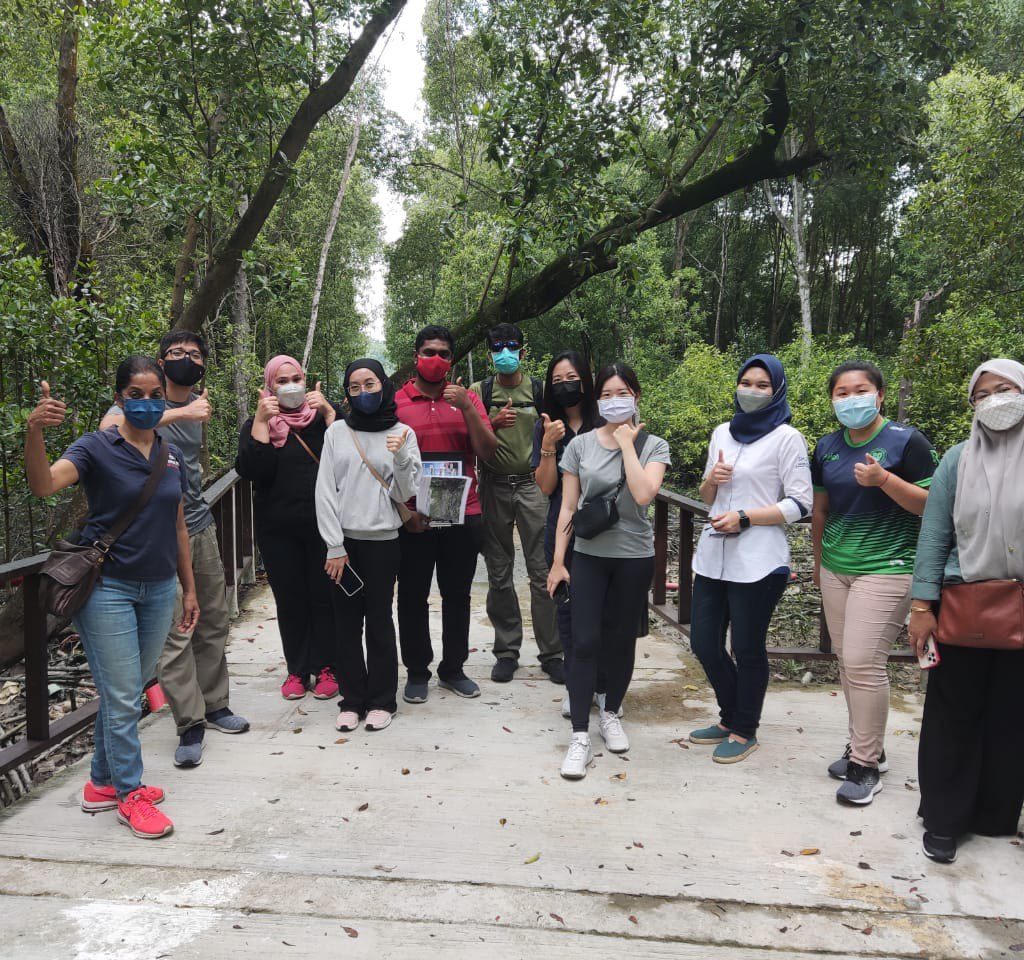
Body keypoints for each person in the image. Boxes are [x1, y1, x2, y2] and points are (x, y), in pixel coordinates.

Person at [25, 358, 199, 839]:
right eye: (135, 394)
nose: (146, 403)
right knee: (123, 695)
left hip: (160, 586)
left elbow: (179, 524)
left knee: (133, 687)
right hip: (108, 588)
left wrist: (189, 588)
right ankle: (130, 793)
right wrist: (34, 432)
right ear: (120, 398)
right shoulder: (96, 447)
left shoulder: (169, 455)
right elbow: (44, 486)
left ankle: (101, 783)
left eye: (154, 394)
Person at [100, 330, 248, 770]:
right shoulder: (141, 401)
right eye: (176, 353)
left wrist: (189, 412)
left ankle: (216, 703)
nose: (186, 359)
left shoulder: (196, 405)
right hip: (152, 535)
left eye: (194, 354)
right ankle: (190, 722)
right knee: (174, 633)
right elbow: (108, 430)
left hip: (198, 525)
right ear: (161, 363)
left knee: (213, 617)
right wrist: (176, 411)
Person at [909, 359, 1024, 865]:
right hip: (966, 602)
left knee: (1011, 714)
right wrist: (921, 605)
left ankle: (997, 813)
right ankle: (945, 818)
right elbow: (934, 536)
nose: (996, 400)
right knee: (954, 714)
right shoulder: (958, 459)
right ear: (972, 406)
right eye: (984, 394)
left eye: (1006, 389)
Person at [811, 360, 936, 805]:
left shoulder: (908, 442)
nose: (851, 399)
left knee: (864, 661)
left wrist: (884, 480)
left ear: (879, 395)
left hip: (890, 565)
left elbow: (930, 507)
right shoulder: (826, 446)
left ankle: (865, 767)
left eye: (860, 390)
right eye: (841, 393)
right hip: (836, 567)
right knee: (848, 661)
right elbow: (821, 510)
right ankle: (869, 748)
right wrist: (818, 559)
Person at [546, 362, 670, 779]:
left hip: (634, 558)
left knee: (620, 642)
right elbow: (567, 506)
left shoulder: (654, 445)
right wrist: (560, 561)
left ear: (636, 395)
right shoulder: (579, 446)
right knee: (583, 642)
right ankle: (580, 735)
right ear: (597, 398)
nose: (615, 401)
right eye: (607, 394)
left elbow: (643, 493)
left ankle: (611, 712)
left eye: (623, 393)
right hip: (590, 556)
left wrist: (628, 445)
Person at [688, 355, 812, 763]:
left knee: (747, 647)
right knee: (704, 643)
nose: (752, 391)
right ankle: (729, 717)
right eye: (746, 382)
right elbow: (707, 497)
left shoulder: (787, 438)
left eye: (762, 385)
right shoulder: (722, 432)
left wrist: (745, 517)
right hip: (712, 557)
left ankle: (745, 728)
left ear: (776, 390)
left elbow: (800, 504)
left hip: (759, 561)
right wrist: (712, 481)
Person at [316, 358, 422, 733]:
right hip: (343, 545)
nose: (364, 392)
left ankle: (381, 700)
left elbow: (406, 493)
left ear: (384, 386)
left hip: (383, 543)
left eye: (371, 384)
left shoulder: (404, 432)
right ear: (347, 391)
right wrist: (333, 545)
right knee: (345, 624)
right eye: (355, 386)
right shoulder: (337, 433)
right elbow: (325, 491)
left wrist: (401, 456)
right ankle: (352, 699)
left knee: (379, 621)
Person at [395, 324, 497, 703]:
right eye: (428, 352)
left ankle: (453, 669)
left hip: (463, 511)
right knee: (412, 595)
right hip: (415, 515)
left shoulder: (468, 398)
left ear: (451, 360)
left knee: (458, 594)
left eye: (442, 353)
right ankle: (417, 671)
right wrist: (406, 513)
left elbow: (487, 451)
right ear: (416, 356)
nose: (435, 359)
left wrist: (468, 406)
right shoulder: (397, 402)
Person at [235, 355, 340, 701]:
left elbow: (346, 460)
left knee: (324, 597)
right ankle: (297, 670)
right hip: (277, 530)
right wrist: (263, 422)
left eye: (296, 378)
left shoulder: (324, 420)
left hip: (323, 528)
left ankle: (328, 666)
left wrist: (328, 414)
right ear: (269, 387)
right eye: (281, 381)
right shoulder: (257, 422)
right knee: (291, 600)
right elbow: (254, 471)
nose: (290, 386)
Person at [471, 323, 562, 684]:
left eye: (511, 346)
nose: (504, 353)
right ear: (490, 353)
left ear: (523, 351)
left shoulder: (539, 390)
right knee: (499, 572)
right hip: (492, 486)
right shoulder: (480, 391)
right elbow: (470, 439)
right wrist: (490, 423)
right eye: (497, 347)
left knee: (542, 574)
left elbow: (559, 431)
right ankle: (507, 651)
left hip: (533, 487)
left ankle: (552, 653)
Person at [531, 350, 609, 719]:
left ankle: (606, 686)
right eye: (557, 381)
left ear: (587, 378)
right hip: (561, 532)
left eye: (571, 378)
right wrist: (548, 444)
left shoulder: (606, 420)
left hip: (606, 533)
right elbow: (547, 488)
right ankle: (578, 686)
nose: (565, 386)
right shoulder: (546, 424)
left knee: (605, 613)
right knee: (568, 612)